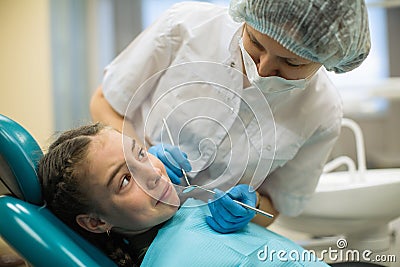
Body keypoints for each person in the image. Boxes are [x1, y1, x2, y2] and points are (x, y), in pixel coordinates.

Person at [90, 0, 371, 228]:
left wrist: (251, 207)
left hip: (205, 238)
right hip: (129, 216)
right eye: (256, 43)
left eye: (291, 62)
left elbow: (275, 206)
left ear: (327, 60)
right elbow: (105, 103)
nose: (262, 69)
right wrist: (142, 158)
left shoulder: (322, 111)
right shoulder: (186, 27)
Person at [38, 123, 329, 267]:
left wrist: (247, 206)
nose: (152, 172)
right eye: (125, 179)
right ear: (95, 222)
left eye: (141, 153)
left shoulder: (179, 214)